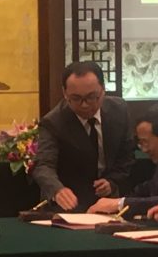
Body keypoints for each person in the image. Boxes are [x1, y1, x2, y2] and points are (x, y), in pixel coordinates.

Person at [31, 61, 135, 212]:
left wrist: (112, 182)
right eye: (76, 99)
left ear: (103, 90)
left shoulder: (119, 110)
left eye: (92, 97)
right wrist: (57, 190)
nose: (84, 105)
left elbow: (126, 156)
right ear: (65, 93)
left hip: (110, 201)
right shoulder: (53, 122)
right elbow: (43, 165)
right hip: (70, 203)